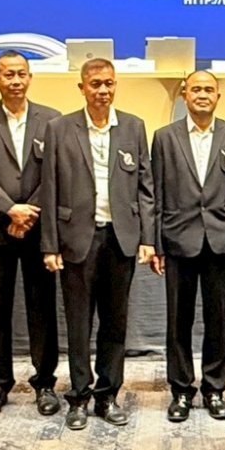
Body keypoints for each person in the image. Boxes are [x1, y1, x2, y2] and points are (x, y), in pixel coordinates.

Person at [39, 58, 155, 429]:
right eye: (95, 84)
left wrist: (148, 239)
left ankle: (108, 395)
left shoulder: (133, 126)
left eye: (109, 83)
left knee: (115, 323)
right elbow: (49, 187)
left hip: (120, 239)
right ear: (82, 88)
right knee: (78, 323)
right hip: (77, 239)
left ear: (115, 85)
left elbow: (146, 188)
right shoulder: (59, 128)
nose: (103, 90)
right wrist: (50, 245)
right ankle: (78, 397)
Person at [150, 70, 225, 421]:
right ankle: (181, 390)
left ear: (218, 96)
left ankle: (214, 388)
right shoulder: (164, 137)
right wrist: (156, 245)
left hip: (220, 239)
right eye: (196, 89)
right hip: (177, 239)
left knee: (218, 318)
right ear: (184, 95)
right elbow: (156, 195)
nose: (202, 95)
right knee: (178, 320)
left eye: (209, 89)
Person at [0, 51, 62, 419]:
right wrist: (10, 209)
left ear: (30, 77)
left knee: (42, 309)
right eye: (8, 75)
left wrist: (28, 212)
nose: (16, 81)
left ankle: (45, 382)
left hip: (38, 229)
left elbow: (56, 172)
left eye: (22, 74)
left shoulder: (51, 119)